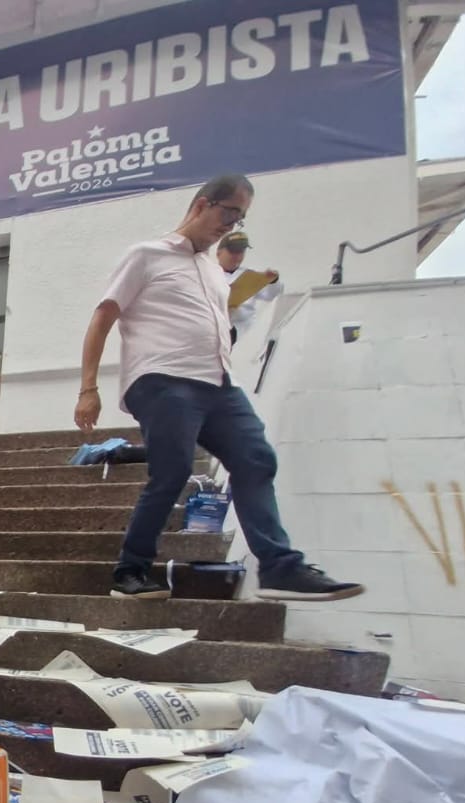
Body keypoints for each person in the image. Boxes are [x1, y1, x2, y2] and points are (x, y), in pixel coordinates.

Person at [76, 173, 362, 602]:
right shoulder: (147, 255)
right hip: (162, 379)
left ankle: (280, 568)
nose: (232, 226)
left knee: (256, 458)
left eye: (241, 219)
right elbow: (103, 315)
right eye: (229, 213)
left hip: (218, 383)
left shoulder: (212, 269)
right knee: (171, 472)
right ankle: (130, 571)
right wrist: (87, 388)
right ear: (202, 204)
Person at [218, 231, 283, 346]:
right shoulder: (207, 275)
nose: (237, 256)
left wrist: (273, 281)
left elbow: (273, 296)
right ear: (219, 253)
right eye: (233, 251)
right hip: (216, 333)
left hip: (245, 334)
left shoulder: (249, 276)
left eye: (241, 252)